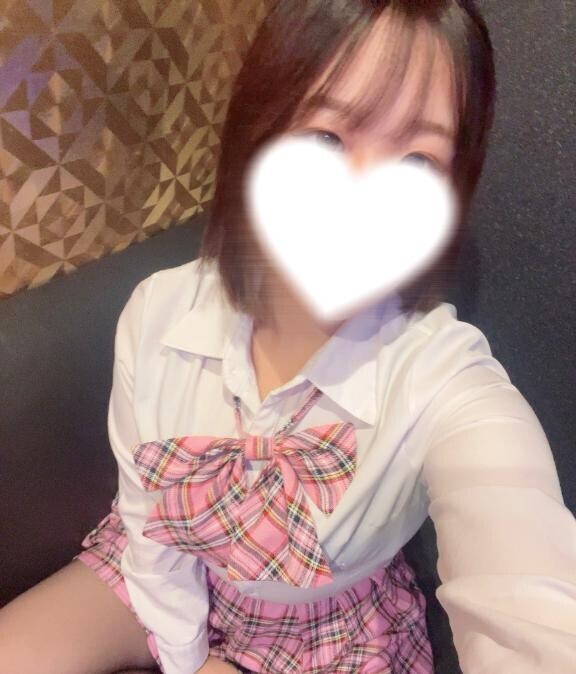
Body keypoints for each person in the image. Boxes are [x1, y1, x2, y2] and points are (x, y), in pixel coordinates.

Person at [1, 1, 575, 673]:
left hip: (327, 635)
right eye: (327, 139)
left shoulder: (444, 380)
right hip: (168, 569)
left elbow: (528, 601)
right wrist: (187, 658)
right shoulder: (158, 312)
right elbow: (150, 529)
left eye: (418, 163)